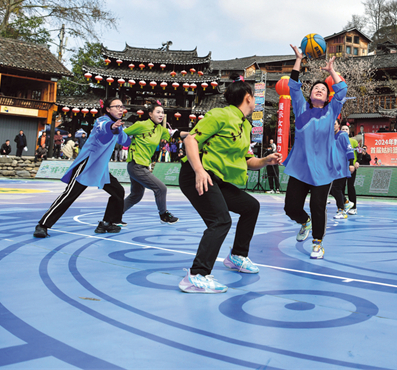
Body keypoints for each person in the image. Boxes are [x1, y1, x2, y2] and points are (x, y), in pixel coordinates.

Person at [178, 75, 281, 293]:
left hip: (217, 179)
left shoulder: (244, 126)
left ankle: (237, 256)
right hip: (197, 173)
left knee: (251, 207)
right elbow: (190, 140)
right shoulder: (220, 115)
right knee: (220, 221)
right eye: (254, 97)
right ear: (248, 98)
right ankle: (196, 276)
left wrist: (265, 160)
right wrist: (198, 170)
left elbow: (247, 161)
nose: (255, 102)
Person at [282, 45, 346, 260]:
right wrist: (299, 59)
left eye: (323, 89)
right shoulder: (301, 109)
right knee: (291, 208)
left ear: (327, 96)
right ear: (309, 95)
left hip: (323, 169)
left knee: (318, 206)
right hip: (300, 168)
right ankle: (304, 222)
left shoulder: (331, 112)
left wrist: (331, 72)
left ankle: (317, 243)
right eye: (315, 88)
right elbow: (293, 86)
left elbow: (343, 91)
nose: (319, 89)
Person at [34, 99, 131, 238]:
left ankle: (107, 222)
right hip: (87, 164)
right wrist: (112, 127)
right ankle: (42, 225)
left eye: (122, 107)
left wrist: (139, 133)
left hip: (100, 168)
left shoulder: (119, 126)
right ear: (108, 109)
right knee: (69, 195)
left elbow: (125, 141)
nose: (121, 109)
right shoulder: (102, 121)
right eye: (117, 107)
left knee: (118, 192)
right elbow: (104, 128)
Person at [122, 103, 179, 225]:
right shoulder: (141, 125)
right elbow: (123, 134)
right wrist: (130, 145)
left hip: (142, 165)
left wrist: (194, 134)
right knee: (161, 188)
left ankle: (114, 215)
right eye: (158, 112)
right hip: (136, 164)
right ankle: (164, 215)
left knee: (136, 195)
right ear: (150, 114)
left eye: (162, 112)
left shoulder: (160, 130)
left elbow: (174, 134)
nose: (161, 115)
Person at [330, 118, 355, 220]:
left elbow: (349, 149)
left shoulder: (343, 135)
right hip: (332, 167)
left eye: (334, 124)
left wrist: (351, 163)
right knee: (331, 189)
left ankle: (342, 210)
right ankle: (346, 202)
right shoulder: (330, 136)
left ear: (338, 125)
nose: (333, 126)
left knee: (336, 188)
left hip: (341, 167)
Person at [343, 126, 359, 215]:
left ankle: (354, 207)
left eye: (346, 129)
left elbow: (359, 152)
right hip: (341, 167)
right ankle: (341, 207)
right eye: (343, 129)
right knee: (339, 187)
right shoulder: (337, 140)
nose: (344, 131)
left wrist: (357, 162)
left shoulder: (353, 141)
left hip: (351, 167)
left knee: (350, 186)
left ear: (349, 132)